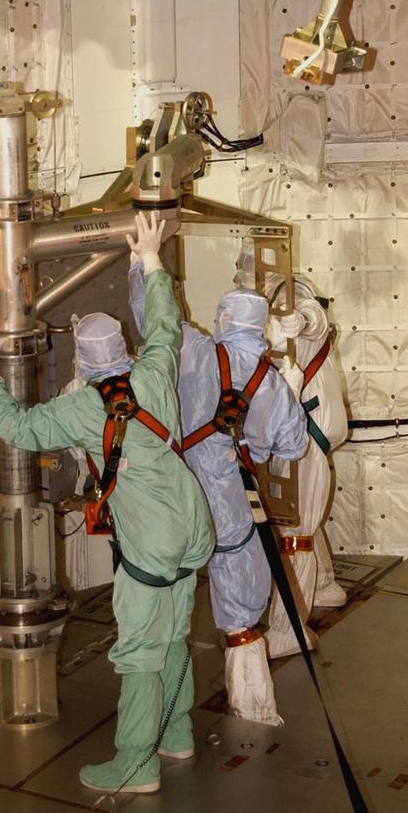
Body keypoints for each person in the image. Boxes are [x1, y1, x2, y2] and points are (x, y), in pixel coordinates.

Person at [0, 211, 215, 795]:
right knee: (173, 634)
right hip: (191, 526)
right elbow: (165, 326)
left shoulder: (80, 409)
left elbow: (18, 428)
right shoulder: (153, 372)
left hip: (150, 547)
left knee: (138, 654)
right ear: (122, 352)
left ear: (82, 359)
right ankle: (176, 735)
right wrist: (150, 259)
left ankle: (135, 766)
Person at [129, 264, 307, 726]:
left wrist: (143, 262)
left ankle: (161, 706)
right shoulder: (270, 383)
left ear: (224, 321)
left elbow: (153, 317)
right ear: (261, 326)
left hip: (176, 492)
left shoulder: (196, 351)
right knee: (241, 600)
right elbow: (294, 446)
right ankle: (251, 702)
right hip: (231, 498)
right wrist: (257, 439)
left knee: (165, 588)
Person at [234, 264, 349, 657]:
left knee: (294, 531)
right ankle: (323, 584)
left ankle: (287, 628)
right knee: (307, 515)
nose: (237, 272)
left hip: (299, 435)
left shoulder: (284, 292)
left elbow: (312, 318)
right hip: (308, 430)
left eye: (240, 264)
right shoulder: (269, 299)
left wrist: (296, 320)